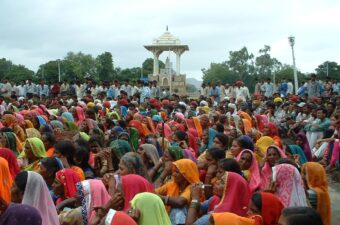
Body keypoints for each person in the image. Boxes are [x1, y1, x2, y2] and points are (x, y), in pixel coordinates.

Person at [156, 159, 200, 225]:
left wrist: (158, 197)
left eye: (177, 172)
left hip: (188, 220)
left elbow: (180, 202)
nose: (173, 174)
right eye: (173, 171)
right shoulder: (172, 184)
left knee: (178, 210)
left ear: (186, 175)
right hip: (168, 218)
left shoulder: (194, 187)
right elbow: (155, 191)